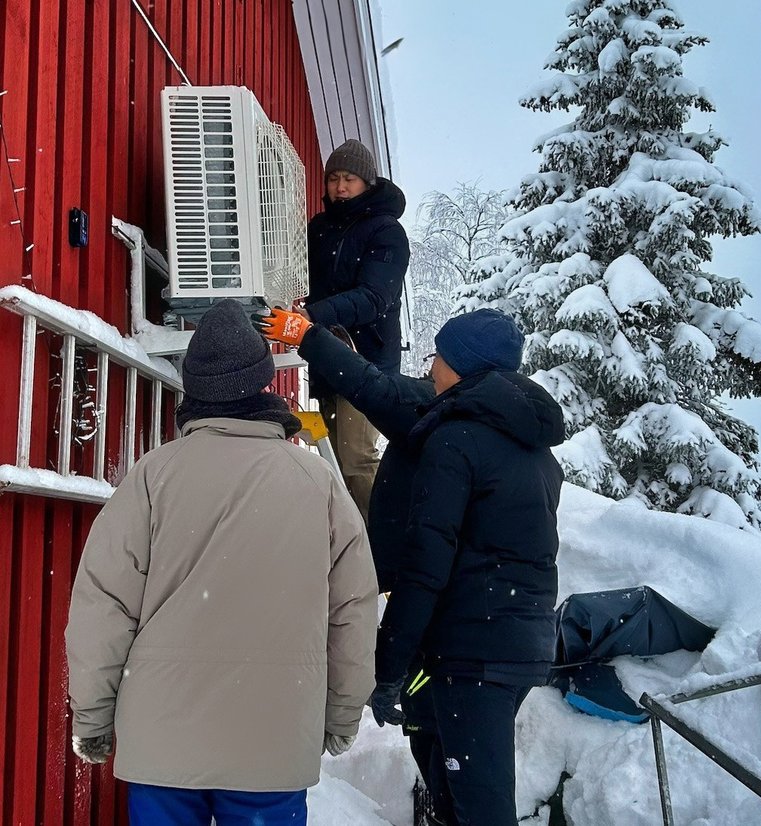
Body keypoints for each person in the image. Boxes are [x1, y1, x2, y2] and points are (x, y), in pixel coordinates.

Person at [65, 298, 378, 826]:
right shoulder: (317, 484)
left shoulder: (151, 477)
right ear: (261, 383)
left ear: (193, 388)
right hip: (271, 742)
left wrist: (93, 717)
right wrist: (342, 713)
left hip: (163, 744)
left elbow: (103, 603)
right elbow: (352, 609)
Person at [257, 307, 565, 825]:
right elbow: (376, 388)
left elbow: (427, 567)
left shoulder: (455, 440)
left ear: (464, 367)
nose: (431, 365)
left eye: (440, 356)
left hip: (474, 655)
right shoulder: (530, 450)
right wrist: (309, 337)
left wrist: (388, 669)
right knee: (439, 763)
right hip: (506, 645)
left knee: (481, 809)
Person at [300, 138, 410, 523]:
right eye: (333, 179)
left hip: (367, 363)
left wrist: (313, 315)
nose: (340, 187)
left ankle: (384, 548)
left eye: (349, 179)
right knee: (329, 462)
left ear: (368, 183)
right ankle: (346, 543)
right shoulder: (318, 229)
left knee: (355, 459)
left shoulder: (386, 232)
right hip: (325, 358)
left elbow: (374, 297)